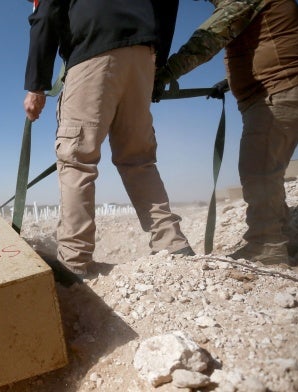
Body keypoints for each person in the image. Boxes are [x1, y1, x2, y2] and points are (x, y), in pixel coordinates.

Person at [23, 0, 194, 284]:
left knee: (76, 158)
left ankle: (73, 260)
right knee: (138, 158)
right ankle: (172, 243)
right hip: (143, 52)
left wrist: (36, 85)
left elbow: (46, 14)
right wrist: (155, 62)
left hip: (93, 49)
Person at [155, 0, 298, 265]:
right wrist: (227, 83)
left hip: (277, 90)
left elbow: (208, 39)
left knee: (258, 171)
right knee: (269, 172)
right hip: (278, 91)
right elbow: (266, 41)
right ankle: (285, 237)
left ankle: (266, 245)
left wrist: (162, 76)